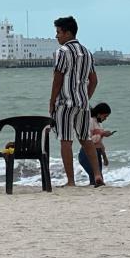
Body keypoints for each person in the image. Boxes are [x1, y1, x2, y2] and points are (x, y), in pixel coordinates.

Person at [49, 16, 103, 187]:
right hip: (83, 104)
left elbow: (57, 78)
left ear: (67, 32)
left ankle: (71, 181)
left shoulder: (62, 52)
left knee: (66, 141)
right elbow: (93, 80)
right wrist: (85, 96)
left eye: (58, 32)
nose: (57, 36)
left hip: (65, 103)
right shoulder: (87, 52)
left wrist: (52, 101)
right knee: (85, 140)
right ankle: (97, 175)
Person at [78, 103, 113, 186]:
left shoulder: (99, 124)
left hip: (97, 153)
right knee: (95, 176)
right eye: (105, 116)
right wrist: (102, 134)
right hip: (86, 153)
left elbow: (99, 143)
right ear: (99, 114)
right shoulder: (90, 121)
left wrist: (104, 157)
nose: (105, 119)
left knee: (98, 177)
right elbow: (88, 140)